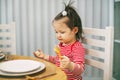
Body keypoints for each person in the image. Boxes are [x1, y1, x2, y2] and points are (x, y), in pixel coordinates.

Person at [33, 1, 85, 80]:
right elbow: (57, 60)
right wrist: (44, 56)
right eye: (56, 32)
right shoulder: (61, 45)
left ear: (75, 30)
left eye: (62, 32)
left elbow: (80, 69)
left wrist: (70, 65)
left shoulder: (77, 47)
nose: (58, 35)